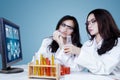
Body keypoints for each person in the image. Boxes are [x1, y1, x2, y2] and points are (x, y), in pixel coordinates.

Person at [64, 9, 120, 75]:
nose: (89, 26)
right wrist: (61, 43)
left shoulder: (117, 42)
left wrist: (79, 52)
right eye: (88, 23)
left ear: (104, 21)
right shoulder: (88, 44)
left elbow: (104, 69)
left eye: (93, 21)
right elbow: (75, 67)